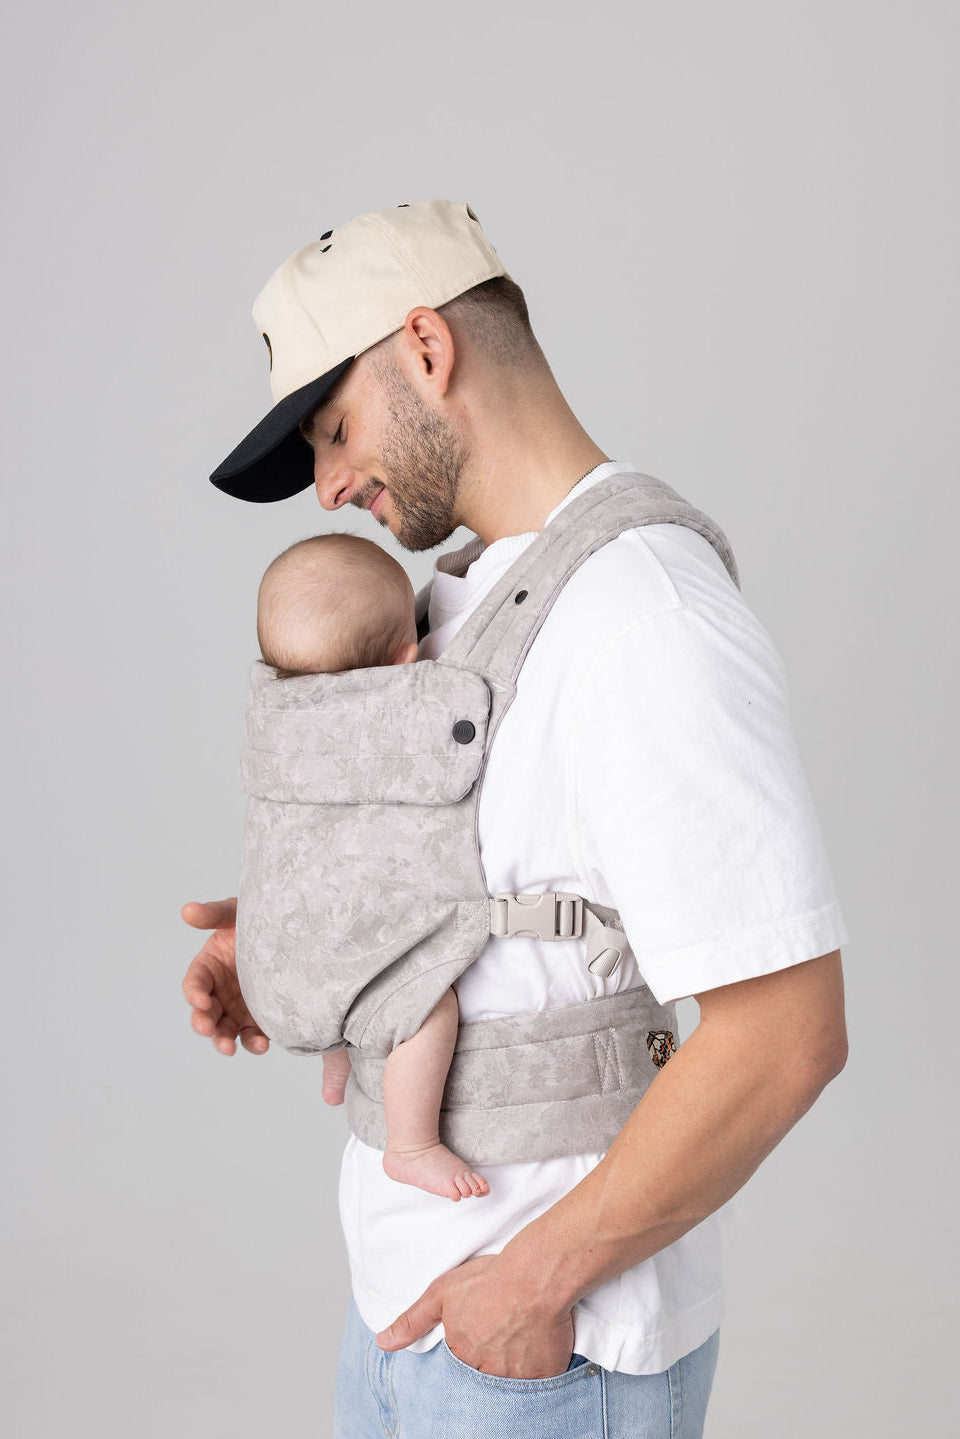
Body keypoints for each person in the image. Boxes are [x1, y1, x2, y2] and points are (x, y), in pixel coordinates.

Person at [182, 200, 849, 1437]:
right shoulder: (465, 601)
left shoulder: (642, 612)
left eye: (336, 430)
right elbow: (471, 888)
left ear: (428, 347)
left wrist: (529, 1289)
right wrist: (302, 935)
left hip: (549, 1351)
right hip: (404, 1319)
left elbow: (786, 1033)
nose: (327, 486)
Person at [253, 530, 490, 1202]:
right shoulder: (403, 714)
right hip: (354, 945)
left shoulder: (272, 717)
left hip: (272, 955)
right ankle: (411, 1144)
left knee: (337, 969)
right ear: (406, 655)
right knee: (426, 1005)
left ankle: (339, 1061)